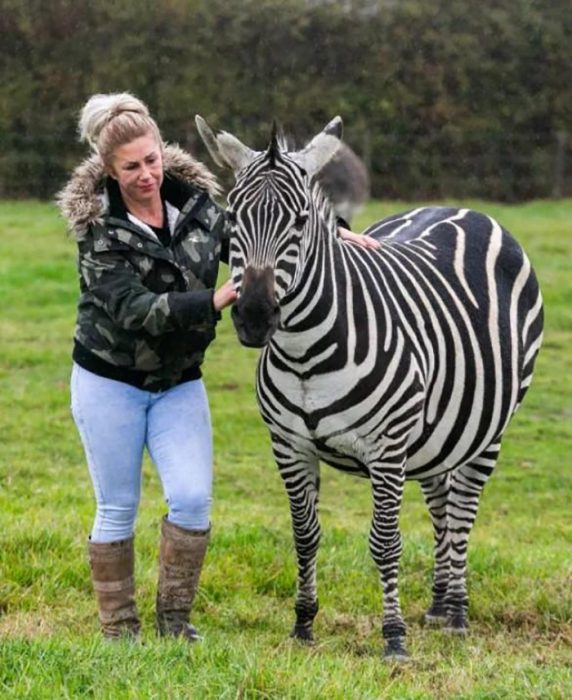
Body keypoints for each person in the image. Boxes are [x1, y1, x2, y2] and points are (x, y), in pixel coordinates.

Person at [57, 92, 376, 642]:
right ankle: (119, 630)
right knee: (118, 505)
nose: (146, 174)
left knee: (192, 499)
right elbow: (135, 310)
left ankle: (175, 623)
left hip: (179, 382)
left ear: (162, 150)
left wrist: (333, 235)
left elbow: (259, 233)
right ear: (108, 169)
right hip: (110, 382)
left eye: (152, 159)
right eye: (130, 167)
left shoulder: (200, 206)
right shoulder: (98, 230)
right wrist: (213, 301)